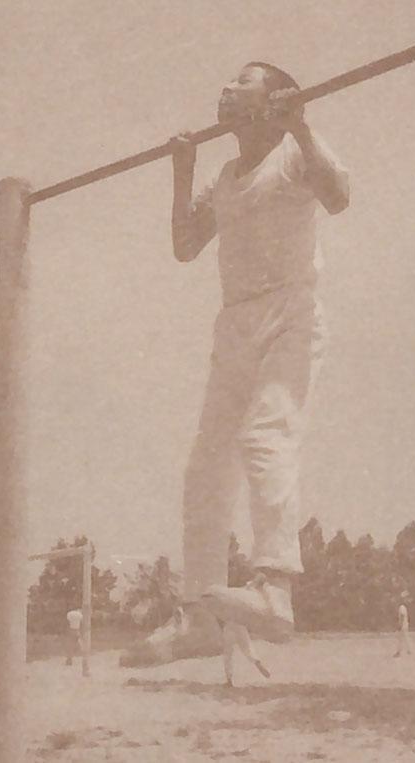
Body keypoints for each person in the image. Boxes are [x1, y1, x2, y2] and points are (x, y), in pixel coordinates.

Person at [119, 61, 349, 671]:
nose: (225, 88)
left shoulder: (295, 150)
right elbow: (185, 247)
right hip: (236, 323)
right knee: (205, 468)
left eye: (243, 82)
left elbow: (339, 197)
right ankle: (200, 615)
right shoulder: (223, 177)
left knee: (265, 437)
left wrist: (300, 127)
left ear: (271, 102)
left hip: (290, 312)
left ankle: (276, 589)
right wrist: (183, 171)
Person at [393, 591, 412, 658]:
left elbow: (402, 616)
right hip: (405, 624)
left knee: (400, 639)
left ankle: (399, 652)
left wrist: (400, 625)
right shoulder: (404, 607)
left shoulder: (402, 607)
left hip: (403, 625)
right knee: (405, 638)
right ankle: (408, 650)